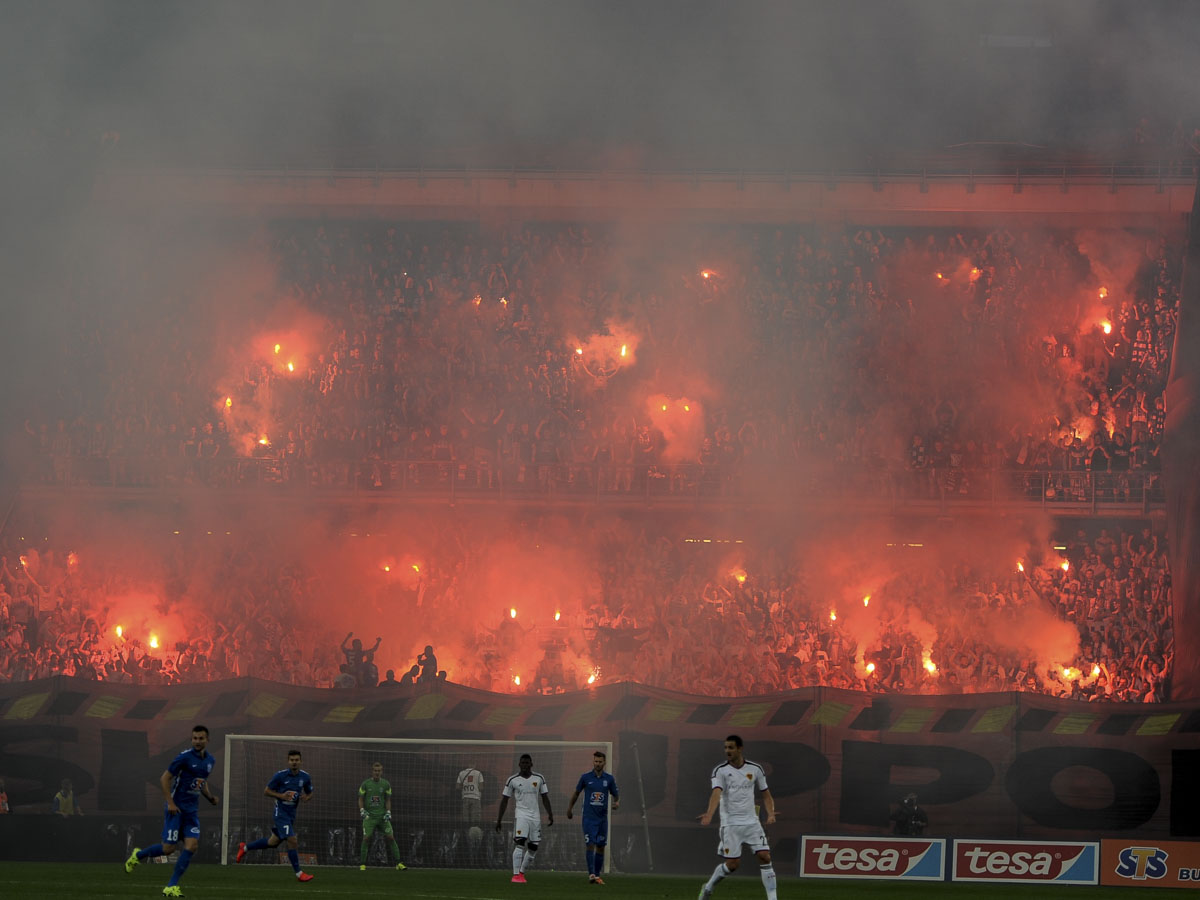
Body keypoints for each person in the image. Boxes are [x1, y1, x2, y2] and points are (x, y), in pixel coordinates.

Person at [124, 724, 220, 898]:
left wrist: (210, 797)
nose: (197, 741)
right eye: (195, 738)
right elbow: (164, 778)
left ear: (208, 739)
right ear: (192, 739)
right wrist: (170, 803)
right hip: (176, 809)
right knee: (168, 849)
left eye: (201, 738)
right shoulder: (184, 757)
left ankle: (171, 886)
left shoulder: (210, 761)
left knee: (192, 846)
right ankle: (138, 855)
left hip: (191, 811)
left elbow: (201, 781)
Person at [697, 735, 777, 900]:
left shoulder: (755, 769)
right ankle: (708, 887)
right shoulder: (720, 771)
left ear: (740, 748)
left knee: (765, 856)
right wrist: (709, 814)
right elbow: (716, 793)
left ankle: (773, 898)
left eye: (731, 747)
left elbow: (766, 795)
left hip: (752, 822)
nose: (727, 751)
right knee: (733, 865)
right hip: (730, 824)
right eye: (726, 747)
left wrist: (770, 813)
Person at [235, 748, 316, 882]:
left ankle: (244, 847)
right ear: (288, 761)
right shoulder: (280, 776)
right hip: (281, 814)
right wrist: (281, 796)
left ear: (301, 761)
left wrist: (308, 797)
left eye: (296, 760)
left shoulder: (305, 777)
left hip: (291, 815)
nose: (294, 762)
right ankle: (299, 873)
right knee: (292, 840)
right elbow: (266, 791)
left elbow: (310, 793)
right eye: (291, 760)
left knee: (272, 842)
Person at [496, 753, 554, 883]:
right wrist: (499, 819)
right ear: (519, 764)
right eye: (522, 763)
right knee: (520, 842)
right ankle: (515, 875)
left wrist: (550, 814)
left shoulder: (539, 778)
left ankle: (521, 873)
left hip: (535, 817)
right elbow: (504, 800)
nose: (525, 765)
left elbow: (545, 797)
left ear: (531, 764)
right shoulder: (512, 780)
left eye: (527, 763)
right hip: (521, 815)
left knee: (533, 847)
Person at [566, 750, 619, 884]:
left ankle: (597, 876)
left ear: (604, 763)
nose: (598, 764)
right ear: (593, 762)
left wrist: (616, 802)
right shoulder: (585, 777)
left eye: (600, 762)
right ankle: (591, 874)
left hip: (602, 819)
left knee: (601, 846)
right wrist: (570, 808)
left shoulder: (609, 779)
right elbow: (576, 793)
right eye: (596, 761)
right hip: (589, 818)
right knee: (590, 845)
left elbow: (615, 794)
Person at [357, 761, 406, 870]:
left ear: (382, 772)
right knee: (366, 838)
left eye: (379, 771)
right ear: (372, 771)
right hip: (369, 817)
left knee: (391, 837)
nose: (377, 773)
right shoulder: (365, 784)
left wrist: (388, 812)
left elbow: (388, 800)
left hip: (382, 817)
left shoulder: (386, 784)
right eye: (375, 771)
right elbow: (360, 799)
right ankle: (362, 864)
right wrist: (362, 810)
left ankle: (399, 863)